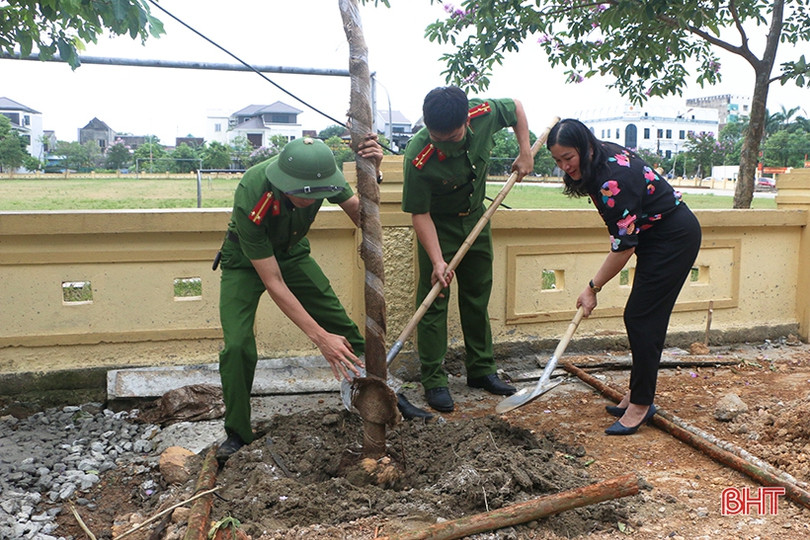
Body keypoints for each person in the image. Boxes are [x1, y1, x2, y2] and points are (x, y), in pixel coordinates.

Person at [215, 135, 382, 462]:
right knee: (237, 346)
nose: (313, 201)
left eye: (319, 195)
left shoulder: (323, 176)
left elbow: (363, 216)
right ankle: (237, 432)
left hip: (292, 254)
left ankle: (382, 393)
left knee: (341, 324)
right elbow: (273, 281)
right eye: (304, 196)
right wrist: (319, 338)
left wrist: (372, 173)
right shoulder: (254, 191)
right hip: (245, 261)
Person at [547, 119, 702, 436]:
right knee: (645, 317)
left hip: (673, 238)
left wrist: (592, 288)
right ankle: (637, 393)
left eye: (568, 158)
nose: (565, 166)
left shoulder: (612, 178)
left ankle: (642, 404)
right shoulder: (598, 160)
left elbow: (623, 246)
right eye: (558, 160)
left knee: (641, 317)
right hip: (655, 238)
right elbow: (627, 236)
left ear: (586, 147)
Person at [401, 86, 534, 412]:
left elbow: (516, 107)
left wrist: (525, 151)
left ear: (466, 120)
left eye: (452, 135)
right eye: (437, 136)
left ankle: (482, 370)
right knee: (435, 300)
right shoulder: (418, 156)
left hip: (477, 221)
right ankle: (434, 379)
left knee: (477, 295)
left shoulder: (482, 113)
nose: (443, 140)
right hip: (439, 227)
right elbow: (420, 214)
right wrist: (436, 260)